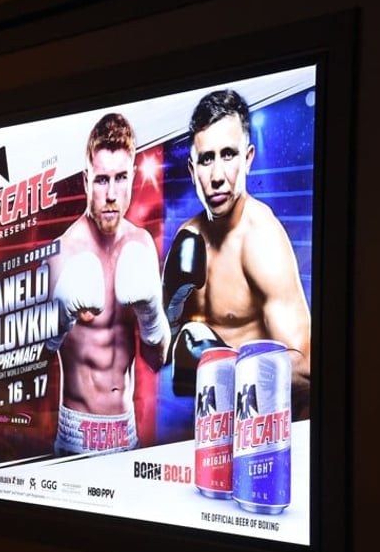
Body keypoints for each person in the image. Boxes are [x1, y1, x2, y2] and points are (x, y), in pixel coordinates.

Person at [163, 89, 311, 415]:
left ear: (248, 159)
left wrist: (224, 365)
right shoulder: (187, 238)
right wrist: (169, 325)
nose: (217, 177)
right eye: (206, 159)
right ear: (192, 169)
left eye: (228, 154)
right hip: (209, 436)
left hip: (265, 440)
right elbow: (168, 362)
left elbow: (306, 368)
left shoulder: (261, 238)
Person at [44, 112, 171, 456]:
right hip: (76, 436)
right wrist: (55, 322)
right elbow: (39, 359)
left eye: (121, 178)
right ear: (86, 181)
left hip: (126, 434)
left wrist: (151, 317)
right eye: (102, 180)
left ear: (132, 176)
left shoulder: (142, 245)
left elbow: (155, 361)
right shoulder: (63, 251)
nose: (112, 194)